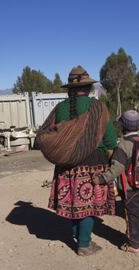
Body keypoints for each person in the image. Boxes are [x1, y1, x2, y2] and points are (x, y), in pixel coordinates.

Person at [35, 65, 117, 256]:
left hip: (66, 165)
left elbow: (44, 134)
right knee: (88, 205)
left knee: (73, 201)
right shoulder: (99, 108)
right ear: (89, 88)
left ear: (70, 89)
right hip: (93, 163)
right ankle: (84, 244)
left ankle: (76, 234)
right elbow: (110, 141)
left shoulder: (60, 108)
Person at [92, 110, 139, 253]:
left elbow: (117, 169)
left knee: (131, 215)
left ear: (123, 127)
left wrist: (101, 179)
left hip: (129, 187)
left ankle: (133, 244)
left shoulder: (123, 146)